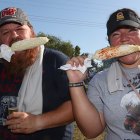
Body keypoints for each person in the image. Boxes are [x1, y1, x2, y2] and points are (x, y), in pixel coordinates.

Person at [0, 7, 74, 140]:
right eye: (5, 32)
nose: (14, 36)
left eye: (19, 29)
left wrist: (38, 122)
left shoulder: (56, 61)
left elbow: (76, 106)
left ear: (32, 31)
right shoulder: (2, 66)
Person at [66, 8, 140, 140]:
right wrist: (76, 83)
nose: (124, 39)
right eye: (116, 34)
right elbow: (91, 131)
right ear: (109, 44)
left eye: (132, 31)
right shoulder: (99, 81)